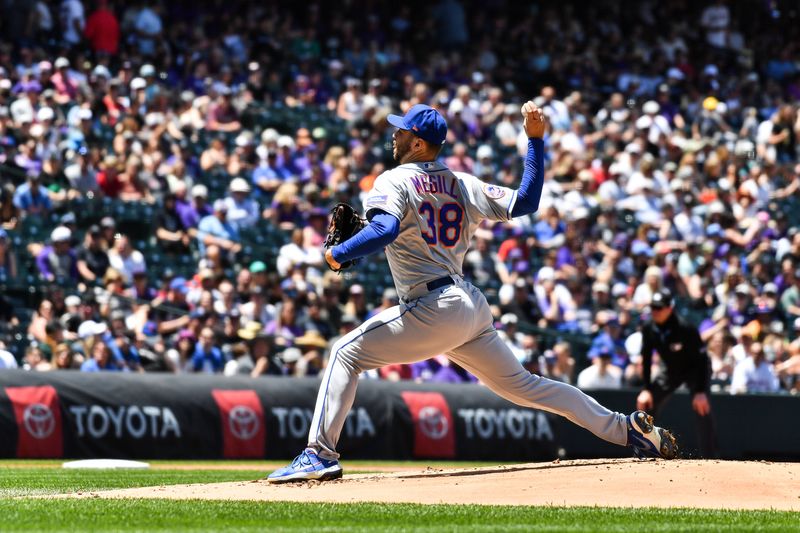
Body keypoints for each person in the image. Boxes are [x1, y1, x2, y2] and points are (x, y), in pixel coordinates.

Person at [268, 103, 677, 484]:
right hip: (468, 305)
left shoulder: (393, 179)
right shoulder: (461, 182)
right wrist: (535, 140)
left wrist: (337, 255)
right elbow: (526, 201)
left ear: (418, 142)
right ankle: (627, 431)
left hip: (433, 306)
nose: (393, 138)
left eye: (400, 132)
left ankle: (319, 454)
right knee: (527, 386)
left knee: (345, 352)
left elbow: (384, 230)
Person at [636, 289, 717, 458]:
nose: (655, 312)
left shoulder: (685, 327)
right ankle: (643, 452)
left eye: (660, 308)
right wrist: (646, 389)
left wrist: (700, 391)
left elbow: (701, 359)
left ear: (669, 308)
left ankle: (709, 458)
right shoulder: (649, 328)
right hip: (671, 368)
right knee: (646, 406)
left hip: (695, 369)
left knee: (702, 407)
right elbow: (646, 358)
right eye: (653, 308)